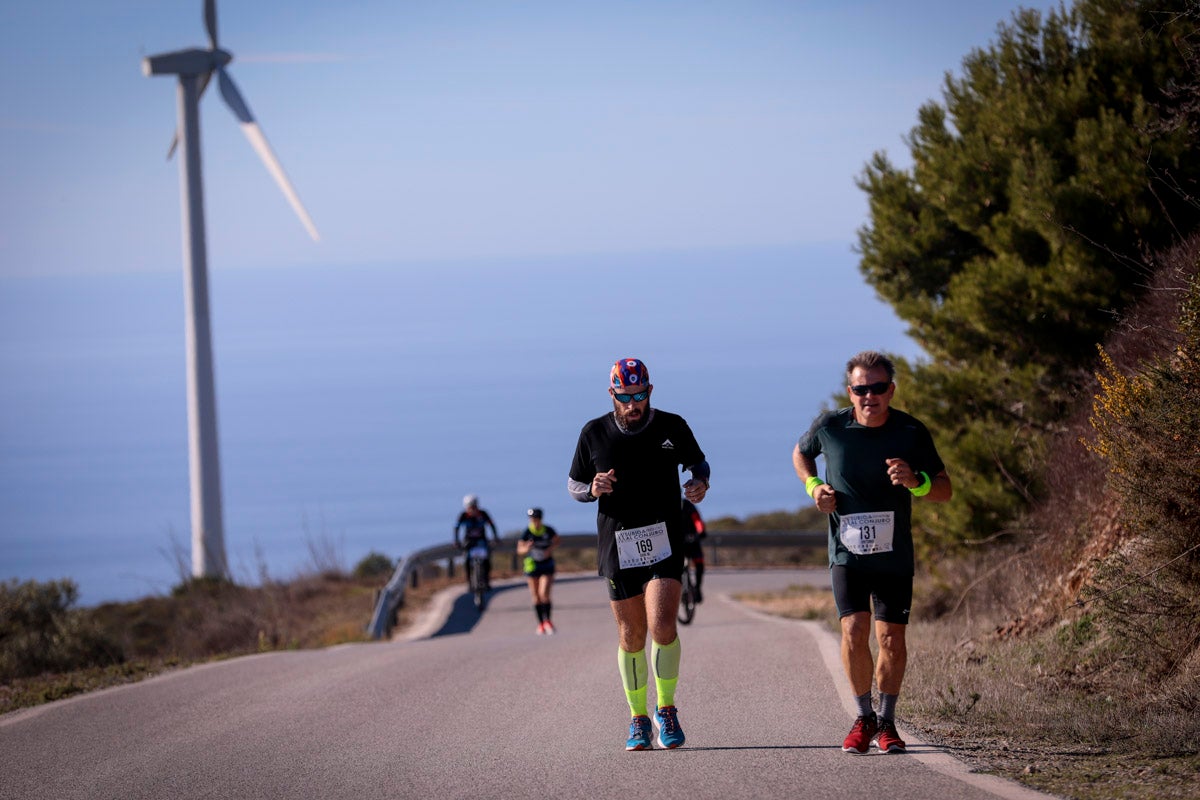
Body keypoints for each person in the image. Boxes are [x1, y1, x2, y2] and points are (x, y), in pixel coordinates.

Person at [792, 350, 952, 755]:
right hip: (846, 552)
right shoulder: (830, 426)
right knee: (853, 631)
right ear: (851, 391)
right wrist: (815, 488)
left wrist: (916, 483)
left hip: (893, 555)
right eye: (861, 389)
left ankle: (888, 723)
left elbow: (945, 489)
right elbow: (801, 453)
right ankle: (863, 717)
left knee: (891, 641)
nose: (869, 396)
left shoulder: (911, 431)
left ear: (891, 390)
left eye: (878, 388)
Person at [568, 357, 711, 751]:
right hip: (618, 544)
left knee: (662, 624)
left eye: (640, 395)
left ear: (650, 391)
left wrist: (699, 482)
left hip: (664, 540)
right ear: (613, 395)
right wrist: (592, 489)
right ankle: (637, 718)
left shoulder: (672, 426)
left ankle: (666, 709)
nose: (634, 404)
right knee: (631, 636)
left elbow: (700, 463)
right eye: (626, 397)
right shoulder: (594, 432)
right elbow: (574, 484)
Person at [516, 507, 561, 635]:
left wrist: (550, 549)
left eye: (537, 519)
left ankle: (548, 620)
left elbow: (557, 540)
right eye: (532, 519)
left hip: (546, 565)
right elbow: (519, 550)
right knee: (535, 597)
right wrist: (527, 548)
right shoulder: (526, 532)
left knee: (544, 593)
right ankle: (541, 623)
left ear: (541, 519)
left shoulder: (548, 530)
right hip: (532, 566)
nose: (534, 521)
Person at [454, 494, 499, 591]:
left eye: (474, 507)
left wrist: (495, 537)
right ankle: (470, 582)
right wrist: (456, 540)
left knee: (486, 560)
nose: (472, 510)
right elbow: (456, 528)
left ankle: (486, 581)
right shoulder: (463, 515)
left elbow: (492, 525)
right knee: (466, 561)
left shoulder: (483, 514)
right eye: (470, 507)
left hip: (481, 540)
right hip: (469, 542)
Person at [681, 499, 706, 603]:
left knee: (699, 562)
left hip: (692, 540)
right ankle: (681, 591)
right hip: (676, 542)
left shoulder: (687, 505)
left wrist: (700, 532)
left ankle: (697, 588)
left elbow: (697, 521)